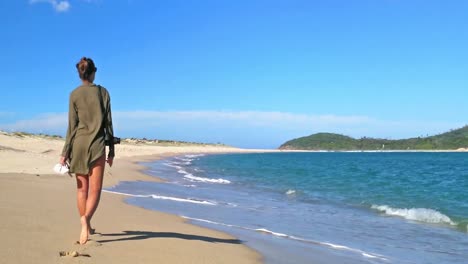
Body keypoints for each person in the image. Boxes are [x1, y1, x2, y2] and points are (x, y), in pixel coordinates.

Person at [60, 57, 115, 245]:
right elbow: (108, 124)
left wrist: (64, 153)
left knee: (81, 190)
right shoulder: (103, 92)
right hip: (97, 145)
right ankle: (86, 220)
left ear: (80, 73)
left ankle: (86, 224)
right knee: (95, 190)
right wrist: (112, 151)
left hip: (78, 145)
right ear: (93, 72)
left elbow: (71, 127)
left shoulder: (73, 95)